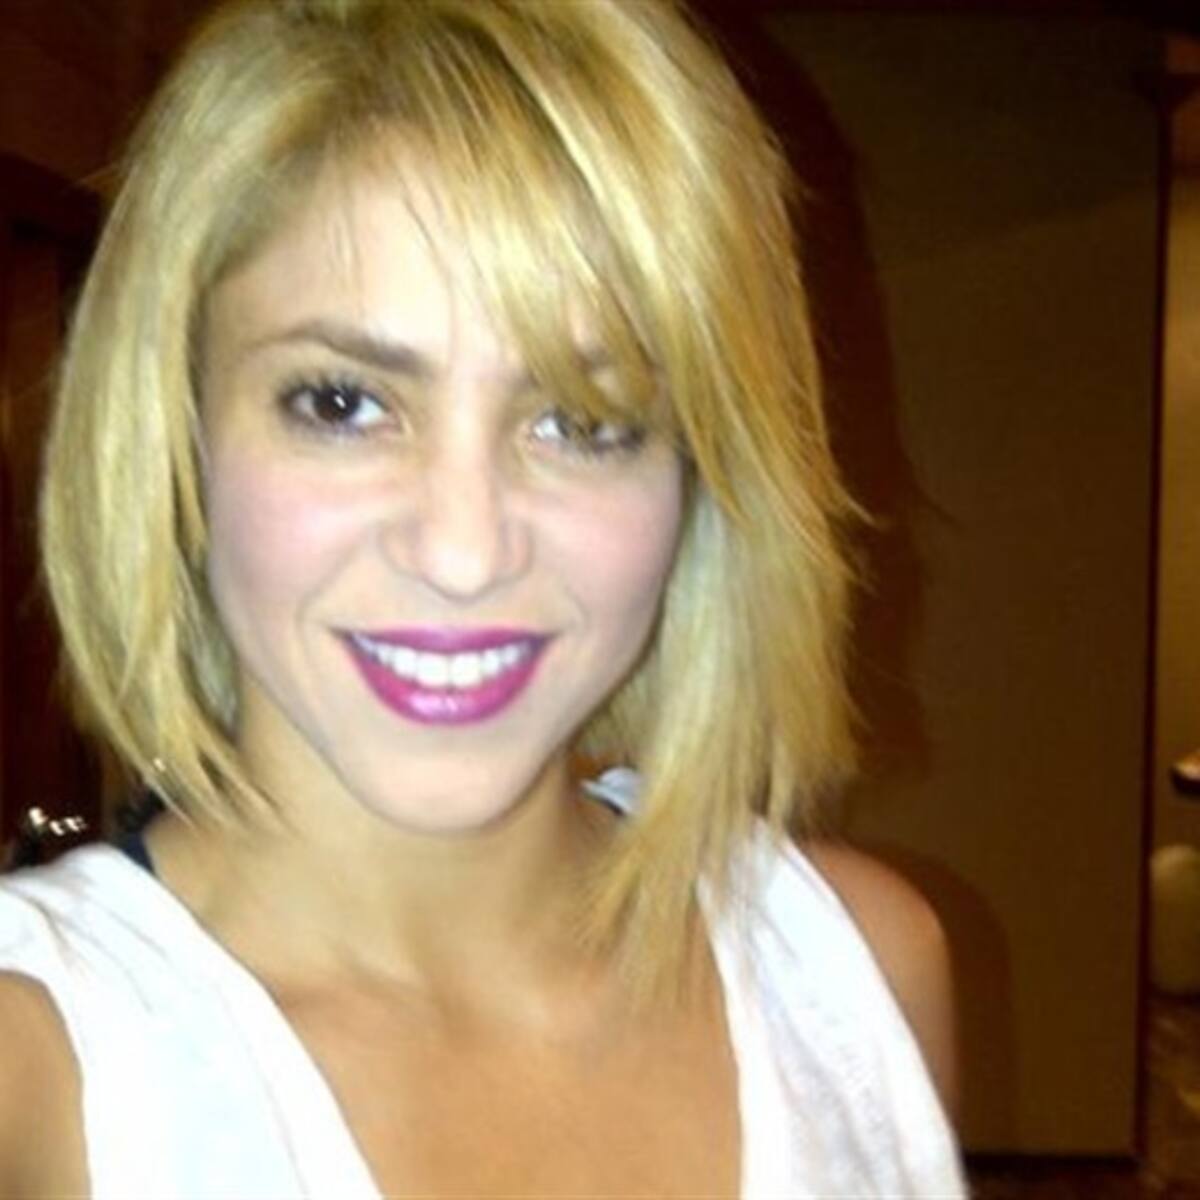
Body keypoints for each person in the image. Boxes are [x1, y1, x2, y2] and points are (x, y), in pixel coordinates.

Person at [0, 0, 964, 1195]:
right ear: (176, 432)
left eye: (583, 421)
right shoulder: (37, 1070)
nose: (463, 553)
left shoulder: (860, 972)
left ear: (703, 475)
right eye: (344, 403)